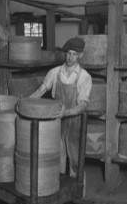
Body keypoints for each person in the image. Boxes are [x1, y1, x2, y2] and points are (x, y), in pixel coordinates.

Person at [30, 37, 92, 179]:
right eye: (68, 53)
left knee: (75, 161)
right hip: (56, 121)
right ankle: (58, 189)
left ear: (80, 55)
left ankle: (77, 194)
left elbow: (82, 105)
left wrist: (66, 113)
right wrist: (25, 102)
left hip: (74, 123)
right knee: (57, 158)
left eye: (74, 54)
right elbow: (40, 91)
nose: (70, 57)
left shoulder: (84, 77)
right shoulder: (55, 72)